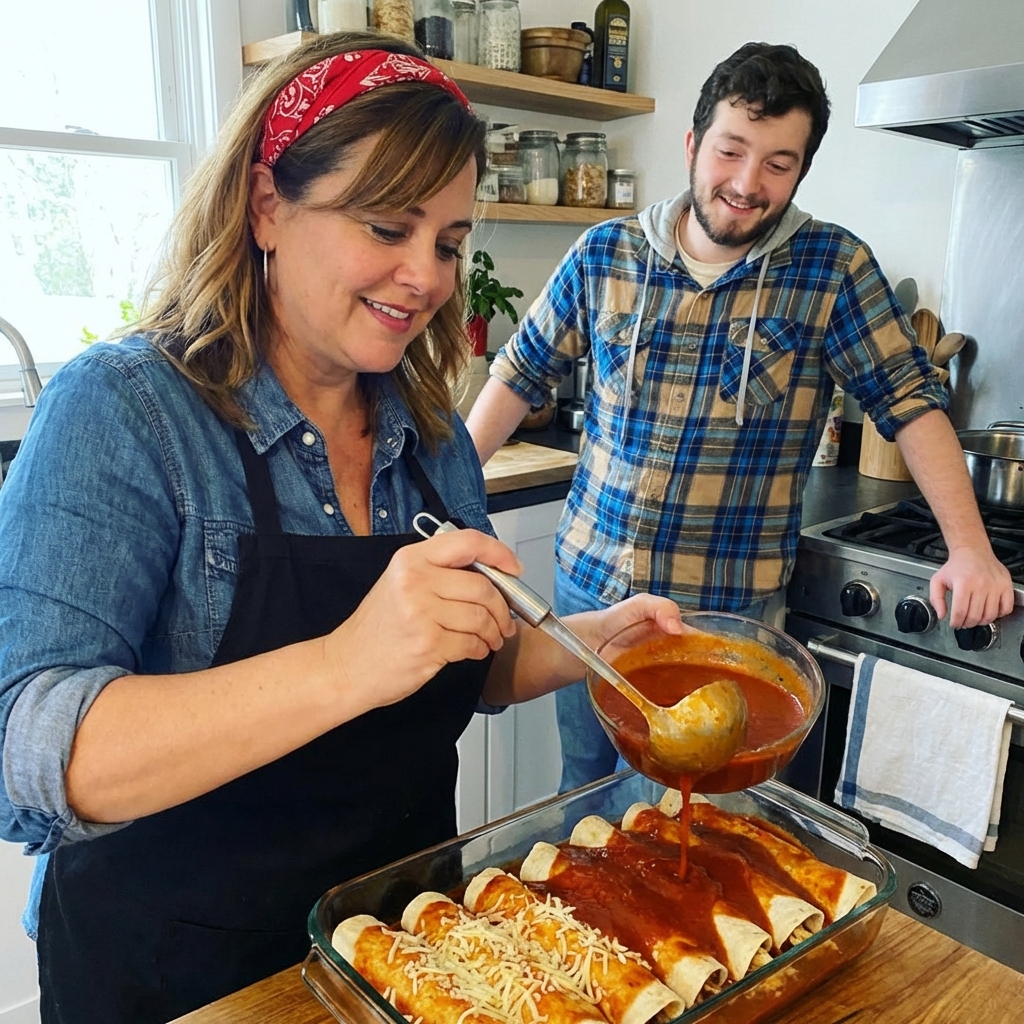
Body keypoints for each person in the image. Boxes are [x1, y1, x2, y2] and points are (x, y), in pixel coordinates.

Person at [0, 34, 684, 1024]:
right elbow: (28, 751)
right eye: (386, 226)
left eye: (447, 242)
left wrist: (593, 644)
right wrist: (344, 662)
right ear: (266, 205)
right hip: (183, 976)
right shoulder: (125, 411)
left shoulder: (430, 431)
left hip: (410, 950)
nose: (426, 277)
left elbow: (470, 661)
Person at [465, 42, 1015, 794]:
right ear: (693, 144)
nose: (748, 184)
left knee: (670, 818)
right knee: (582, 788)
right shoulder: (605, 254)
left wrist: (971, 550)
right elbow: (518, 375)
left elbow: (911, 405)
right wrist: (451, 502)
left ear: (801, 171)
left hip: (718, 613)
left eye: (779, 164)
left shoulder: (833, 270)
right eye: (731, 151)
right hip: (589, 586)